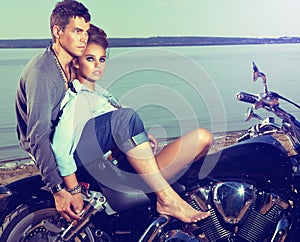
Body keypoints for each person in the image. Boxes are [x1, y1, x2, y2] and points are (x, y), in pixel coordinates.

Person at [51, 24, 213, 223]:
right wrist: (73, 189)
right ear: (76, 63)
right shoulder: (80, 98)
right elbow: (60, 147)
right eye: (90, 59)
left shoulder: (100, 94)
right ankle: (166, 200)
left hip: (138, 166)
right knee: (128, 117)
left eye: (102, 59)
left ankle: (187, 201)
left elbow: (113, 130)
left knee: (203, 138)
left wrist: (139, 136)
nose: (97, 65)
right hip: (122, 174)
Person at [15, 0, 91, 221]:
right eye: (77, 31)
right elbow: (37, 137)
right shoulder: (43, 74)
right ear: (58, 31)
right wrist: (58, 190)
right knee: (122, 123)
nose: (84, 38)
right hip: (51, 148)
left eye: (86, 32)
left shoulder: (68, 64)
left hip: (66, 141)